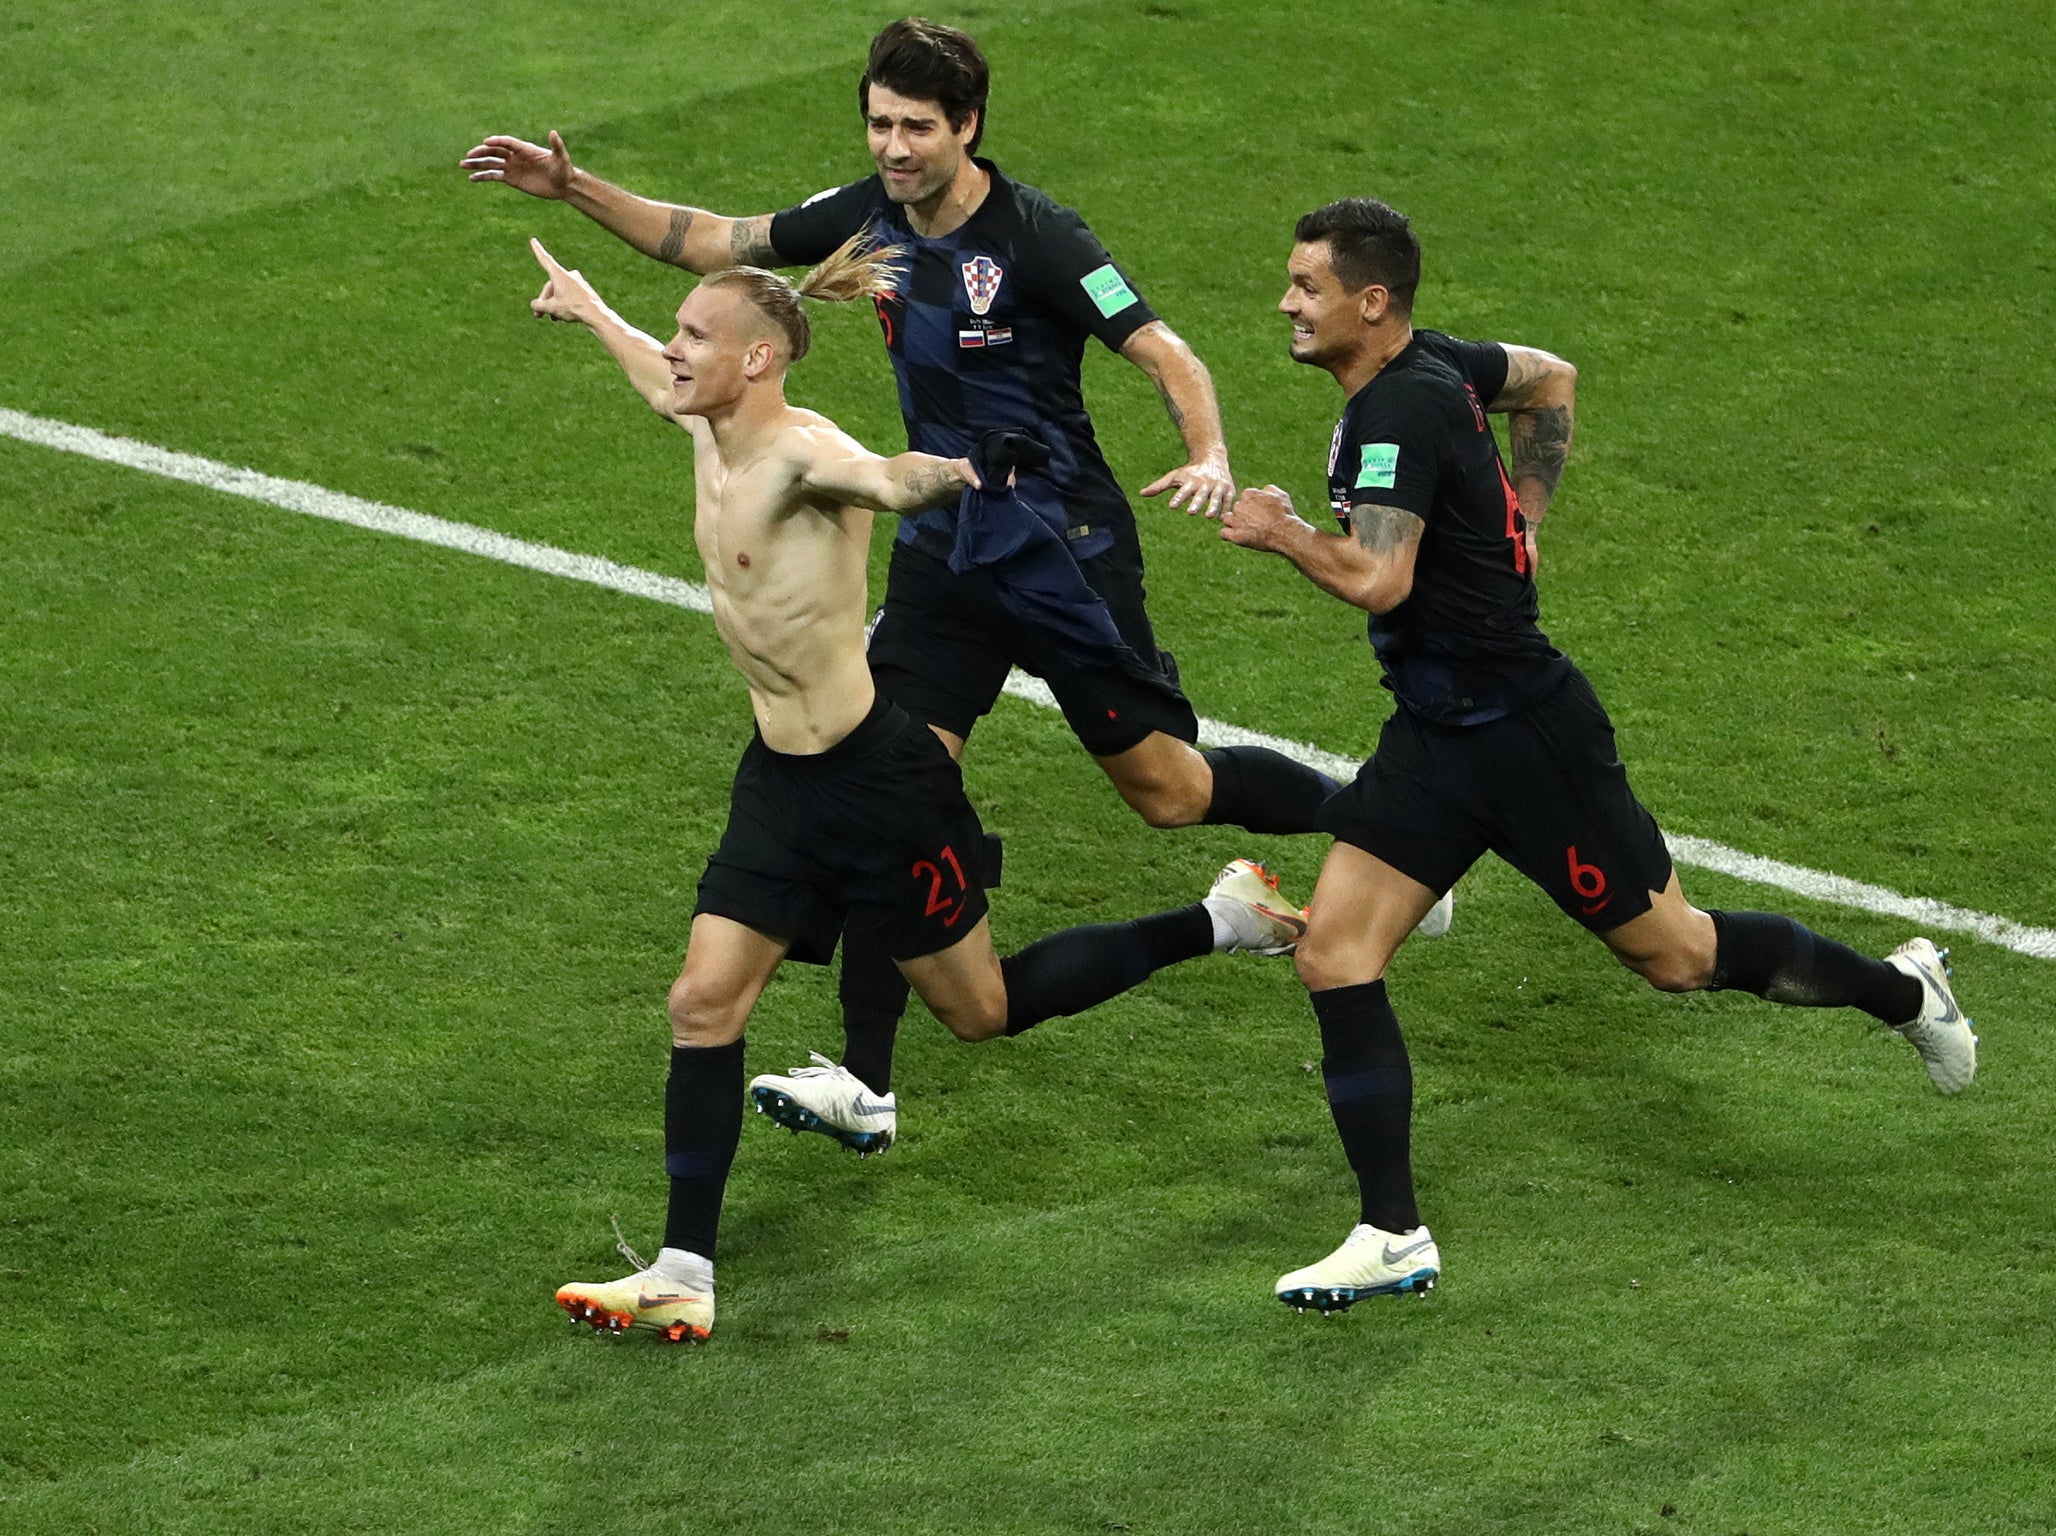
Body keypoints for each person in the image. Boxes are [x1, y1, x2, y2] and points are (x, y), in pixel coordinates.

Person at [460, 18, 1417, 1157]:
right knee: (896, 778)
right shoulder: (867, 214)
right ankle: (865, 1079)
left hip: (1059, 546)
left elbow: (1166, 354)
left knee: (1165, 789)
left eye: (916, 127)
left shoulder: (1041, 237)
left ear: (967, 126)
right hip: (942, 549)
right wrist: (574, 191)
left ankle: (1386, 825)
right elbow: (713, 239)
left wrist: (1206, 453)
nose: (894, 146)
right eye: (878, 123)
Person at [519, 235, 1304, 1341]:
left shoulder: (801, 452)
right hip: (779, 783)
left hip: (883, 785)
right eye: (680, 332)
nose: (678, 349)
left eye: (698, 335)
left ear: (756, 362)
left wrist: (966, 473)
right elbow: (653, 376)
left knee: (979, 1012)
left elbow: (889, 478)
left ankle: (1225, 920)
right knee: (702, 1002)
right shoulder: (705, 418)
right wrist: (592, 305)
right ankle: (682, 1270)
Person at [1204, 197, 1976, 1313]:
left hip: (1525, 740)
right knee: (1334, 956)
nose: (1284, 301)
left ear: (1370, 303)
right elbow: (1551, 376)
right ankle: (1391, 1232)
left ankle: (1907, 993)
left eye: (1307, 286)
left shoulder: (1398, 415)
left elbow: (1379, 579)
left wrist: (1276, 529)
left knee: (1674, 956)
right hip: (1434, 734)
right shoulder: (1438, 365)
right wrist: (1523, 521)